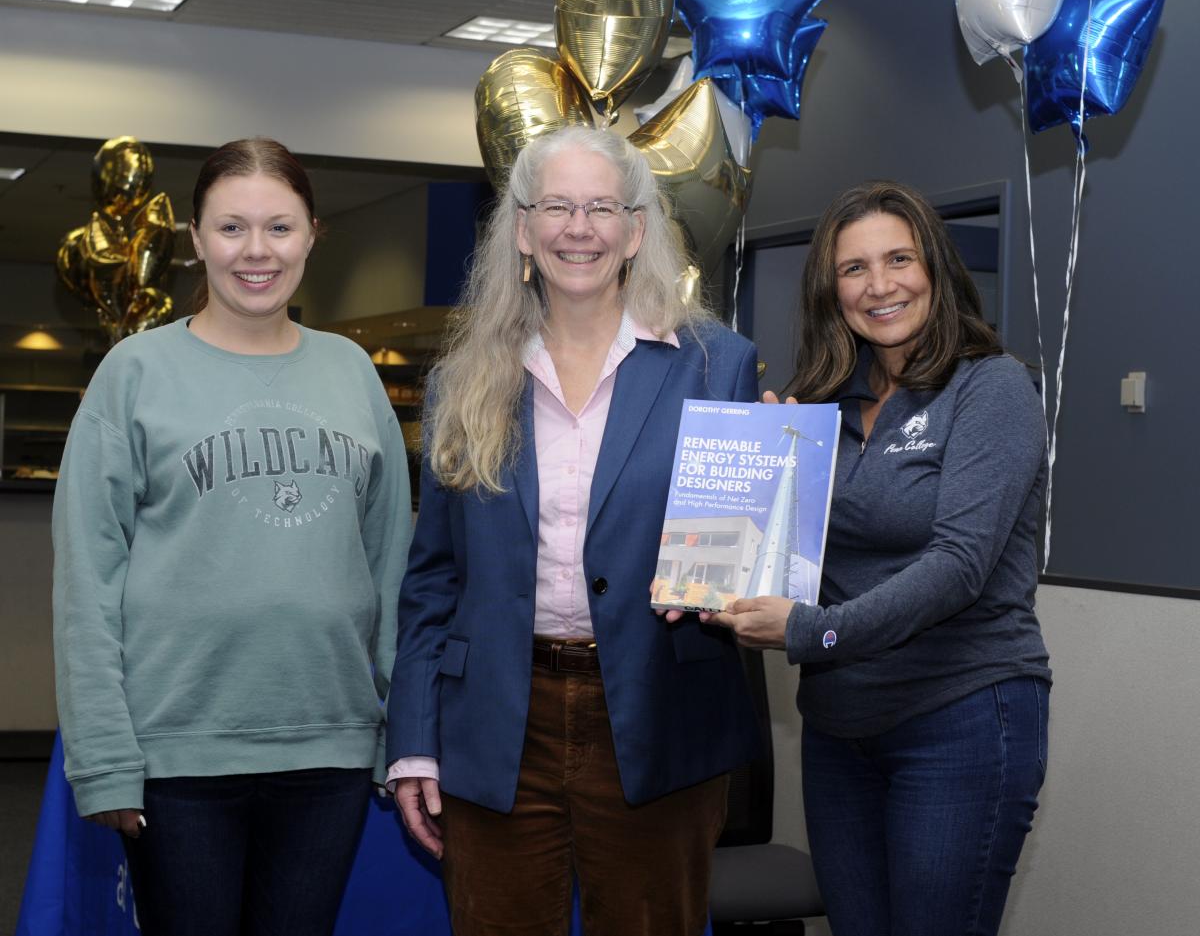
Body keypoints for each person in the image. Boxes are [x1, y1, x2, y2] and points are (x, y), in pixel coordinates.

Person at [386, 125, 760, 936]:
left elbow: (731, 551)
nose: (578, 228)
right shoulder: (464, 378)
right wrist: (414, 739)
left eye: (601, 207)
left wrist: (776, 495)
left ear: (635, 228)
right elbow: (433, 580)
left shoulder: (716, 362)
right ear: (522, 229)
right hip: (493, 722)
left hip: (658, 716)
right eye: (557, 206)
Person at [52, 138, 412, 936]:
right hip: (179, 755)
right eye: (232, 227)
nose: (257, 251)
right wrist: (106, 754)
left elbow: (394, 569)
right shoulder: (133, 373)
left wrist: (402, 732)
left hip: (330, 750)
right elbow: (86, 577)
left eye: (279, 228)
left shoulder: (352, 371)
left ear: (314, 234)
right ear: (194, 236)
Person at [707, 180, 1051, 936]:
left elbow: (959, 565)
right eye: (854, 268)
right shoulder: (817, 404)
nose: (880, 284)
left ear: (936, 266)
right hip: (840, 727)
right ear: (833, 291)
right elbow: (778, 559)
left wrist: (812, 631)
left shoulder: (991, 388)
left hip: (961, 715)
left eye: (899, 258)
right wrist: (760, 474)